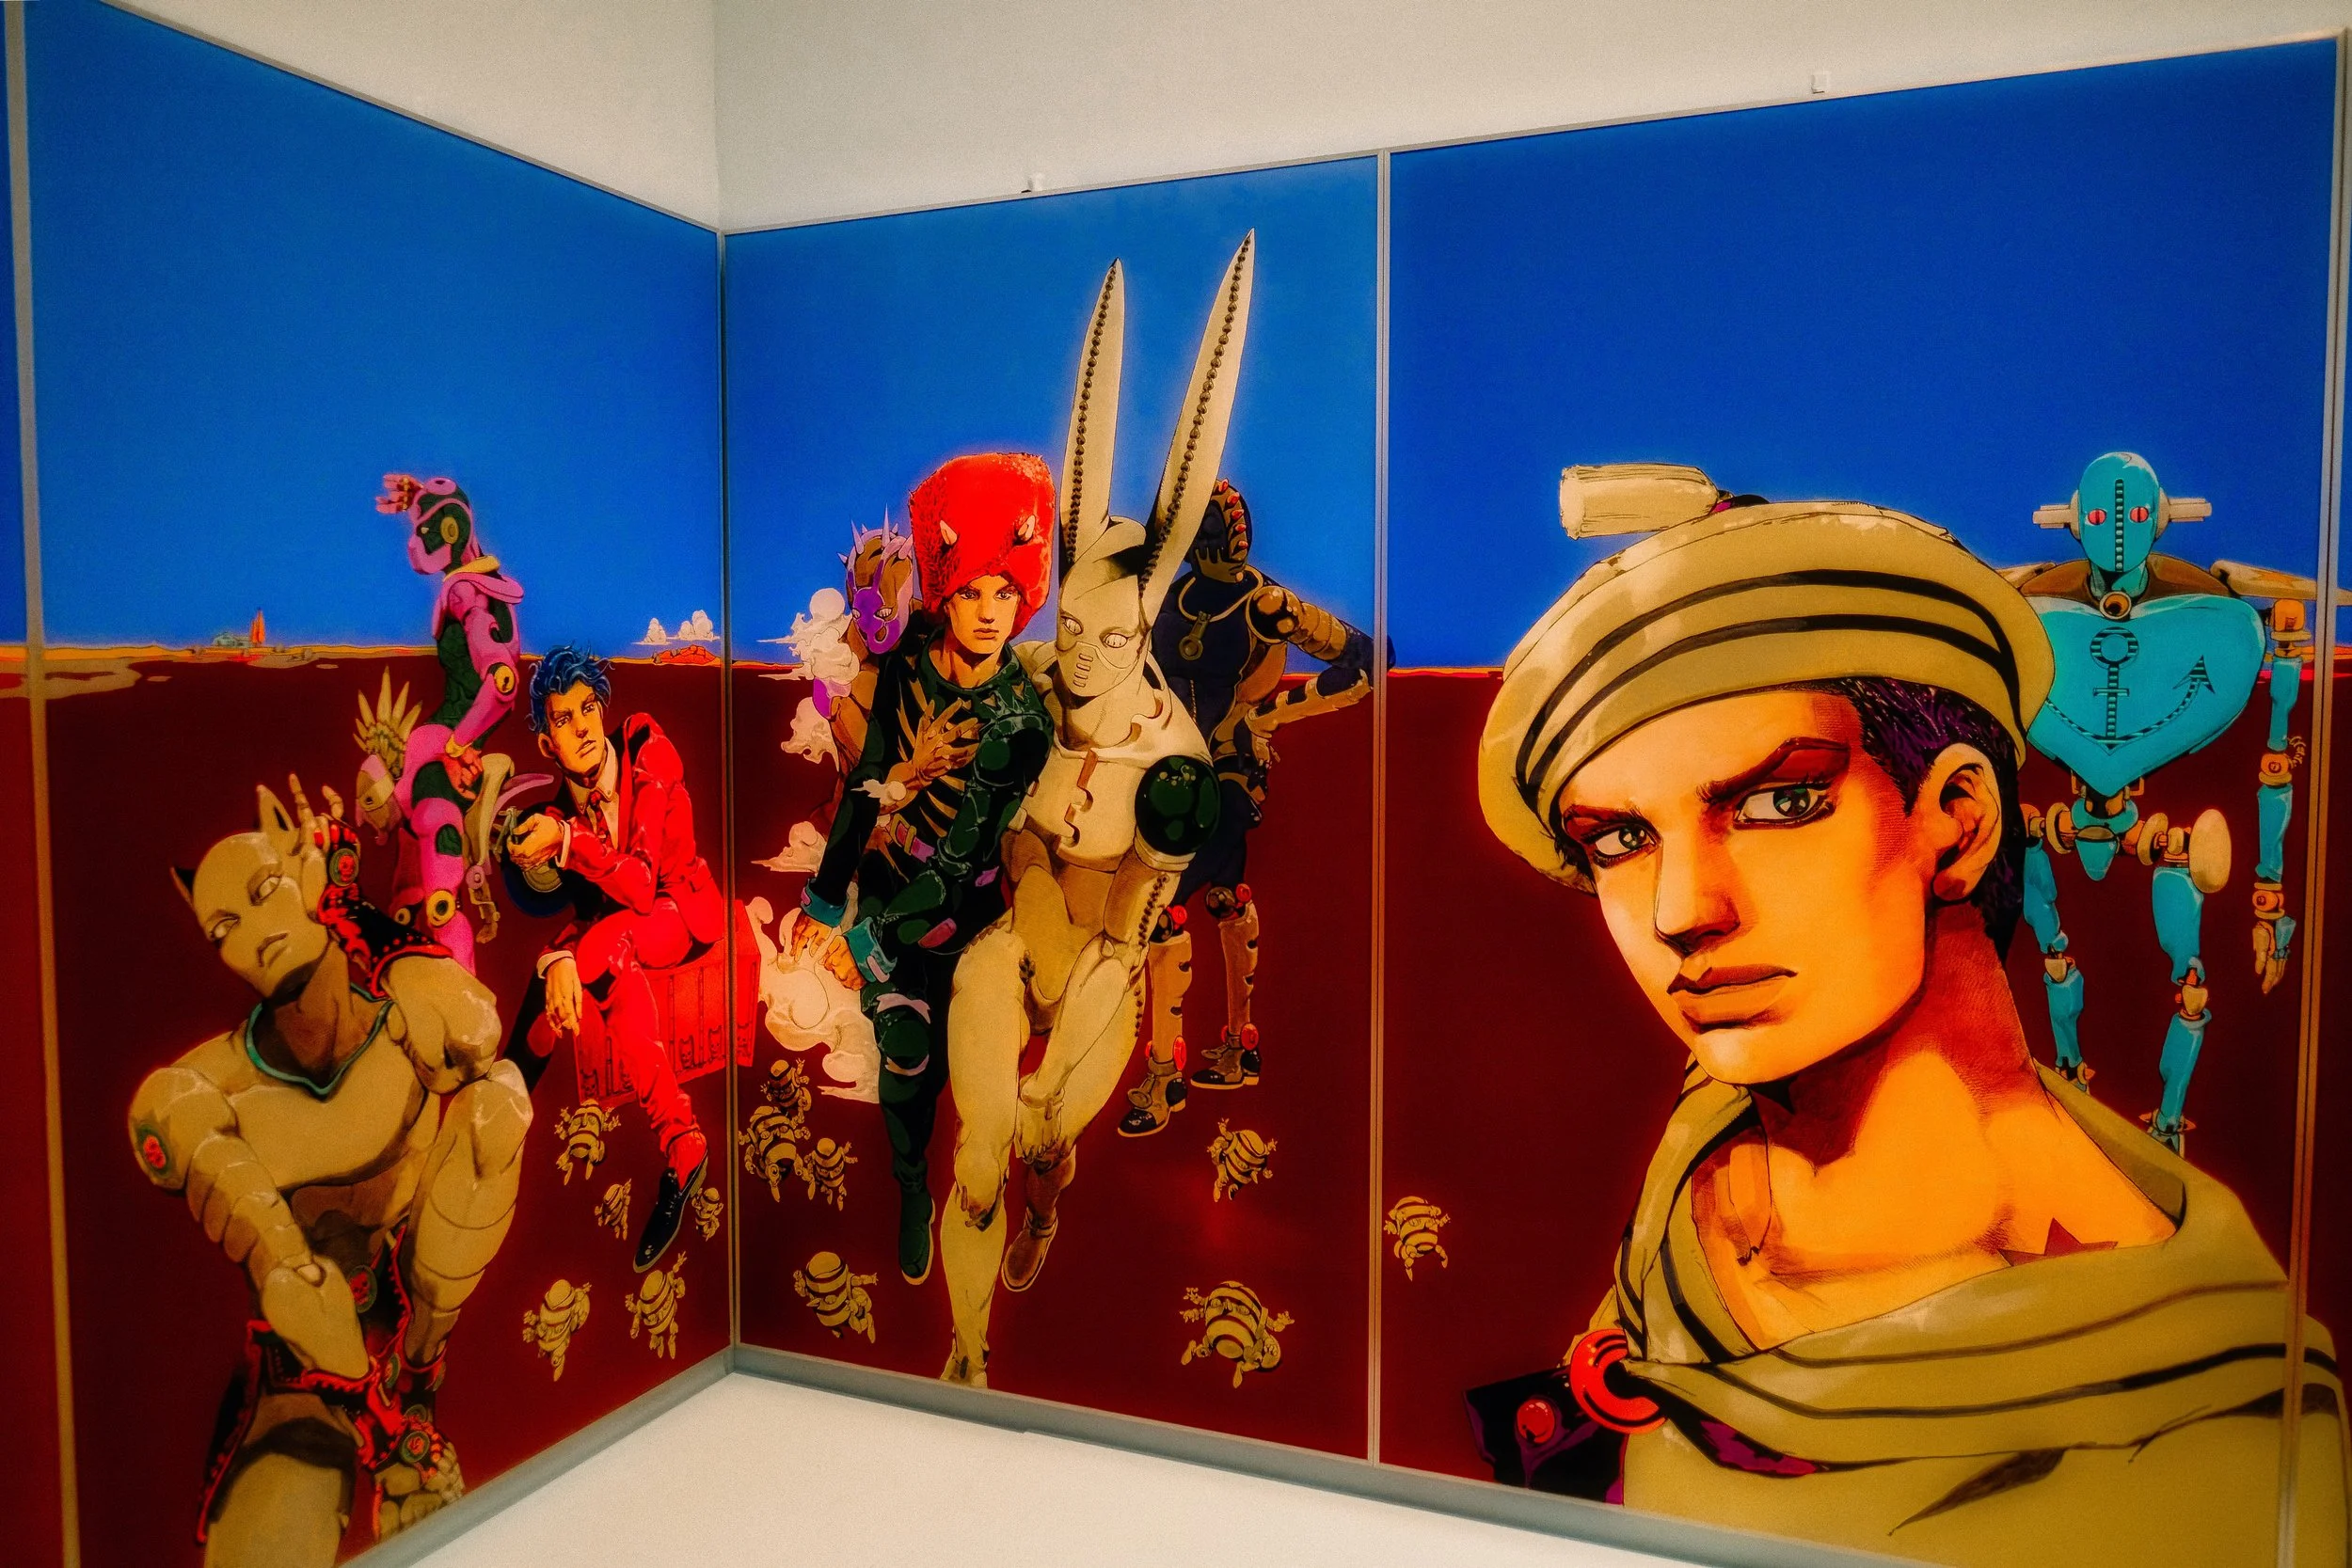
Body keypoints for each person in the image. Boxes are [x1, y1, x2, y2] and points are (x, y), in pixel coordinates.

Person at [1465, 464, 2345, 1566]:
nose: (1680, 910)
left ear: (1959, 821)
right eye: (1620, 839)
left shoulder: (2206, 1417)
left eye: (1779, 800)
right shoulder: (1711, 1147)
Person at [132, 777, 527, 1560]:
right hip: (309, 1380)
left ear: (303, 865)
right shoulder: (209, 1087)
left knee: (498, 1104)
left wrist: (356, 916)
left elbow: (480, 1040)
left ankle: (420, 1369)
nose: (254, 936)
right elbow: (173, 1128)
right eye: (224, 927)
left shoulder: (411, 1006)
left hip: (418, 1327)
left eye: (263, 891)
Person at [797, 452, 1055, 1286]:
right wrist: (825, 897)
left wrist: (864, 938)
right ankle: (912, 1186)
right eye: (973, 591)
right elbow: (868, 781)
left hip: (960, 911)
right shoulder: (908, 658)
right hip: (887, 884)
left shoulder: (1020, 722)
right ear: (946, 589)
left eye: (1005, 592)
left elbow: (957, 862)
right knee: (906, 1061)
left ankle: (988, 1204)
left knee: (971, 1077)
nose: (989, 612)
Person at [1116, 477, 1375, 1134]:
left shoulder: (1268, 605)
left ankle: (1166, 1074)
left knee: (1167, 908)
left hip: (1227, 774)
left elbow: (1366, 662)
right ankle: (1238, 1044)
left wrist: (1266, 717)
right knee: (1223, 897)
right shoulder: (1169, 595)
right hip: (1167, 770)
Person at [504, 645, 724, 1271]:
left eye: (587, 708)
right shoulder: (558, 811)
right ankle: (506, 1097)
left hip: (684, 909)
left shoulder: (647, 746)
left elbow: (642, 884)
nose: (582, 727)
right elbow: (590, 907)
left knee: (600, 947)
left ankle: (681, 1140)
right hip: (625, 927)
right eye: (563, 718)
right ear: (546, 743)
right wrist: (558, 958)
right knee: (571, 959)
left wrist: (568, 842)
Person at [364, 474, 526, 969]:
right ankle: (409, 902)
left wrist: (458, 746)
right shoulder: (473, 578)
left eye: (427, 533)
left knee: (431, 796)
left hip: (459, 732)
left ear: (451, 532)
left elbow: (501, 683)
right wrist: (424, 501)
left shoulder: (466, 594)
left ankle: (449, 937)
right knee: (401, 785)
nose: (415, 545)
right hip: (443, 727)